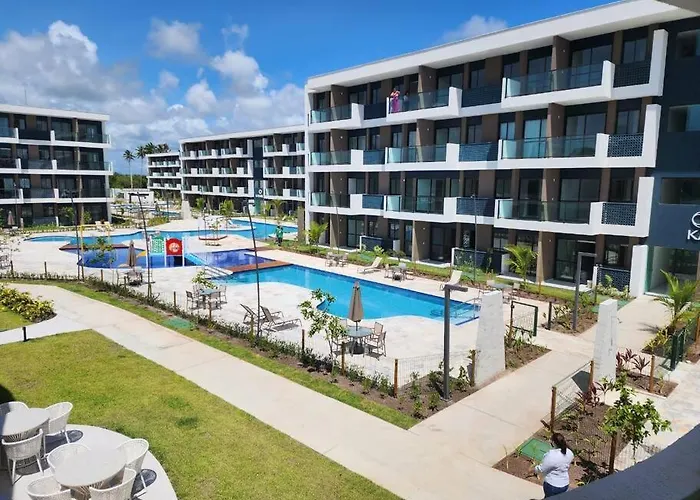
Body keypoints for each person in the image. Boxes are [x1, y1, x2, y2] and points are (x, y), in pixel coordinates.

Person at [534, 433, 573, 497]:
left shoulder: (551, 455)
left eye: (551, 440)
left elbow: (541, 469)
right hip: (565, 484)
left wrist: (533, 470)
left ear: (554, 443)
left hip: (552, 485)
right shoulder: (569, 453)